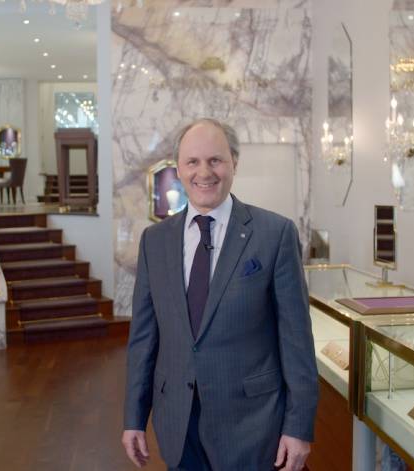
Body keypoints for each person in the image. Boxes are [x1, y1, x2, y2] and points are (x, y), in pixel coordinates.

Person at [122, 118, 318, 470]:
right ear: (178, 169)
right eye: (192, 162)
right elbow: (143, 339)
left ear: (234, 163)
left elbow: (296, 341)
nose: (204, 172)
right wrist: (134, 418)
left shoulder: (275, 234)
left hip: (254, 427)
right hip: (178, 425)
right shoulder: (155, 241)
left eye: (215, 160)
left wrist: (299, 427)